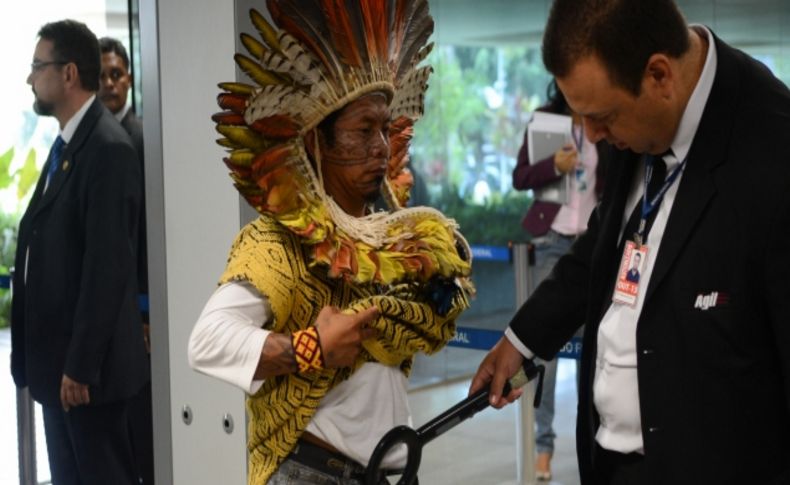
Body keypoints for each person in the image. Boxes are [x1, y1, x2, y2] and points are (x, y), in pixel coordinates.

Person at [470, 0, 790, 484]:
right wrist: (522, 340)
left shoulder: (770, 148)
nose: (593, 136)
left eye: (602, 117)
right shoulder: (636, 126)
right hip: (612, 462)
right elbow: (603, 245)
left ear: (659, 75)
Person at [187, 2, 473, 484]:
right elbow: (207, 342)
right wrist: (310, 348)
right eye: (363, 130)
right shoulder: (276, 243)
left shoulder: (391, 239)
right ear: (317, 142)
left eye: (385, 129)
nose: (381, 147)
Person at [11, 19, 146, 485]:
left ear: (68, 73)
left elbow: (106, 269)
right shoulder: (71, 143)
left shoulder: (108, 149)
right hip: (63, 373)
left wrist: (79, 366)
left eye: (37, 66)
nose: (30, 78)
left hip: (89, 381)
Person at [513, 79, 609, 481]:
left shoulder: (604, 120)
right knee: (544, 353)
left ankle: (601, 439)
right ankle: (544, 445)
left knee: (602, 344)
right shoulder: (546, 120)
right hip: (552, 240)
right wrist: (555, 165)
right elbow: (520, 177)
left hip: (597, 238)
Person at [98, 36, 153, 485]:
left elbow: (145, 233)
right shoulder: (97, 138)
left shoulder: (137, 137)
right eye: (102, 76)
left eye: (116, 74)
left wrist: (145, 308)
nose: (110, 83)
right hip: (108, 307)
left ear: (130, 79)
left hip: (138, 306)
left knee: (141, 424)